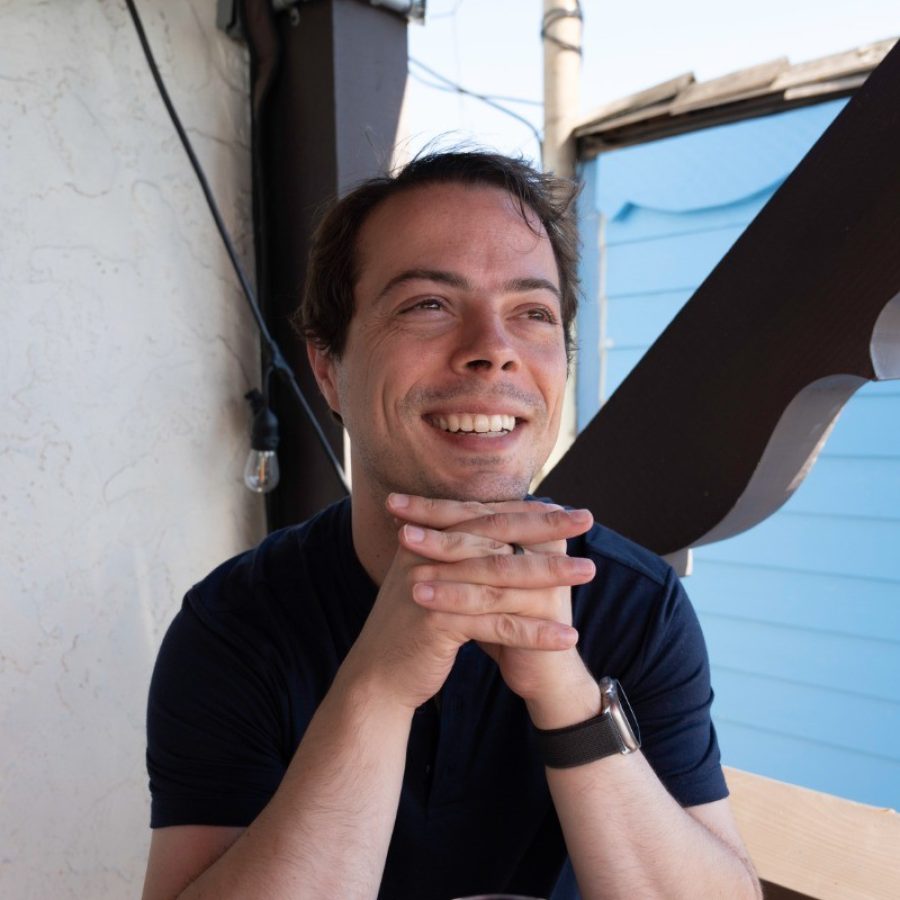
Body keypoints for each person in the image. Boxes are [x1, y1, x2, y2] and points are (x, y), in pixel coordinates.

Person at [141, 151, 761, 900]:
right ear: (329, 369)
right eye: (428, 304)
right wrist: (379, 684)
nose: (493, 350)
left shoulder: (635, 604)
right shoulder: (237, 626)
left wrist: (563, 691)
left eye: (532, 313)